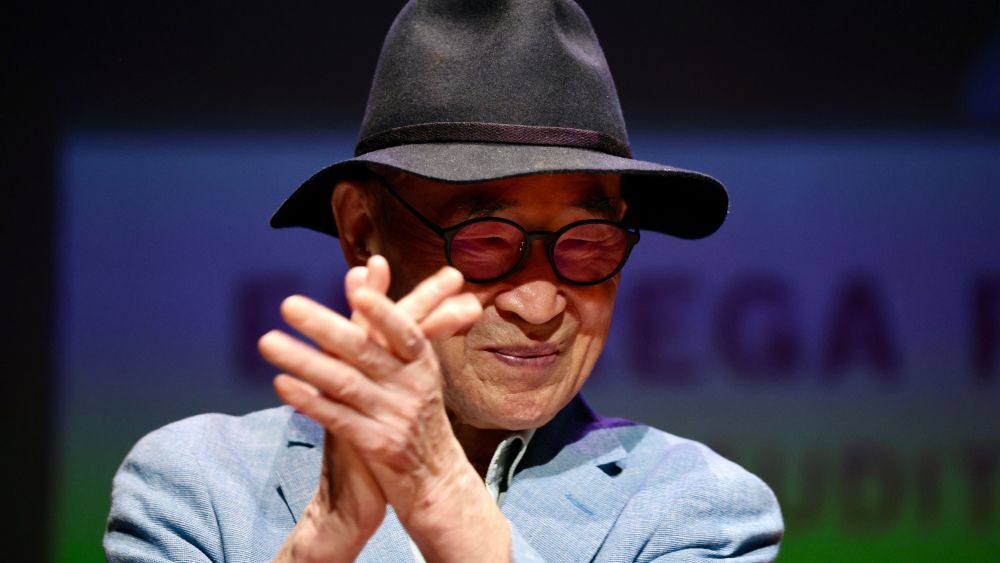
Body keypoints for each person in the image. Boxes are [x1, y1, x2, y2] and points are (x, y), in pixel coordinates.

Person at [104, 1, 784, 561]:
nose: (539, 304)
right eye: (486, 240)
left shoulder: (699, 509)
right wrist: (318, 550)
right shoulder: (198, 488)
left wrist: (447, 502)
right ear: (361, 229)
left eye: (586, 243)